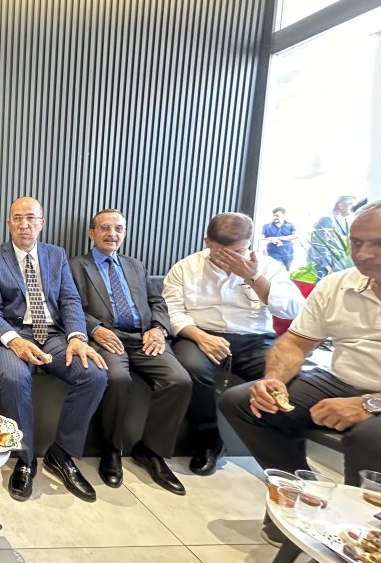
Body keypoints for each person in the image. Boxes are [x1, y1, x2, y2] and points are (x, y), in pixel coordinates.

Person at [220, 201, 381, 486]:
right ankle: (301, 490)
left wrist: (370, 403)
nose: (362, 254)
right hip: (340, 380)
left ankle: (359, 513)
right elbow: (295, 343)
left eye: (378, 244)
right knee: (245, 403)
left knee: (369, 438)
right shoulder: (336, 284)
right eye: (356, 242)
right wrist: (273, 380)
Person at [162, 212, 304, 476]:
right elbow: (171, 311)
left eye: (238, 252)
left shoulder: (268, 266)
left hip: (254, 339)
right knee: (192, 368)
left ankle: (289, 457)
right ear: (207, 241)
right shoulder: (185, 267)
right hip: (201, 334)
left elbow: (293, 309)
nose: (230, 259)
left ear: (249, 243)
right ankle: (208, 441)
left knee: (289, 378)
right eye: (220, 252)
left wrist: (253, 277)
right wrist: (200, 336)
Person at [0, 197, 107, 503]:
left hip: (54, 334)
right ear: (9, 224)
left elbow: (70, 300)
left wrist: (77, 337)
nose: (24, 224)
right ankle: (25, 460)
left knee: (94, 374)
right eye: (17, 218)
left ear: (42, 223)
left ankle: (61, 454)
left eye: (31, 218)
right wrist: (13, 340)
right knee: (14, 379)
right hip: (15, 334)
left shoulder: (56, 255)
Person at [69, 209, 191, 495]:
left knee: (179, 380)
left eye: (119, 229)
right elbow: (68, 305)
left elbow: (157, 301)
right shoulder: (75, 266)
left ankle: (151, 451)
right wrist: (95, 329)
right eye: (105, 228)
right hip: (107, 337)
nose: (112, 234)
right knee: (116, 378)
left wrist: (158, 328)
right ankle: (111, 449)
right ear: (91, 233)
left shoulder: (135, 265)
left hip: (145, 337)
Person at [309, 195, 358, 279]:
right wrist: (326, 265)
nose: (354, 210)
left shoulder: (343, 219)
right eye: (352, 206)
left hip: (337, 263)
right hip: (324, 265)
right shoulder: (326, 219)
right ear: (341, 206)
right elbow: (318, 243)